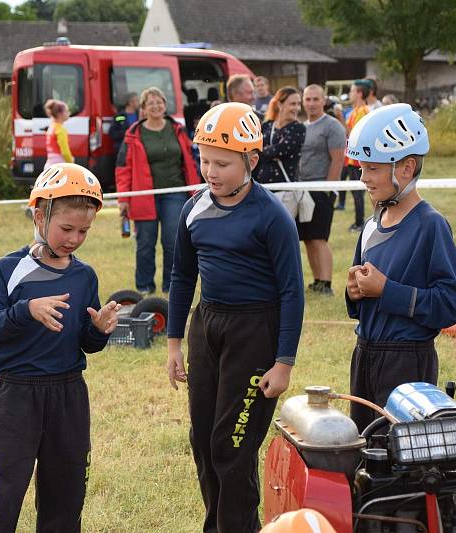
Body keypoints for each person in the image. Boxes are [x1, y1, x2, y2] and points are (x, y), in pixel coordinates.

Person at [166, 102, 304, 532]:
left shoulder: (272, 217)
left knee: (233, 445)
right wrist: (174, 343)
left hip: (254, 332)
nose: (211, 171)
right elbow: (182, 275)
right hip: (207, 326)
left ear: (251, 161)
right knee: (204, 442)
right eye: (205, 160)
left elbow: (292, 292)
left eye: (223, 163)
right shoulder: (194, 209)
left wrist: (283, 363)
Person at [0, 162, 121, 533]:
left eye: (83, 231)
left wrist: (98, 330)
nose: (74, 238)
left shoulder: (84, 275)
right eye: (66, 228)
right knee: (1, 494)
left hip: (69, 394)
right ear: (39, 215)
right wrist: (26, 310)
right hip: (16, 396)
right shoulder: (9, 269)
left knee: (66, 493)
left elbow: (84, 341)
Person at [344, 104, 456, 431]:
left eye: (371, 168)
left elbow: (454, 303)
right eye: (361, 168)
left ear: (406, 167)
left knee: (400, 459)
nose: (363, 178)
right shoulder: (374, 221)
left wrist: (388, 291)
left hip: (406, 360)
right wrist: (355, 291)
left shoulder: (431, 226)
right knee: (365, 448)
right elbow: (366, 297)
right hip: (365, 354)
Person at [115, 87, 201, 294]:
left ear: (165, 104)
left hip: (176, 193)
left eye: (159, 101)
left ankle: (171, 287)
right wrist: (123, 198)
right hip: (144, 195)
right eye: (150, 103)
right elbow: (123, 168)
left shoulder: (177, 129)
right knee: (145, 244)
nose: (156, 106)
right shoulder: (133, 133)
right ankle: (145, 287)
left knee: (173, 242)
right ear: (143, 108)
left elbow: (191, 159)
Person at [298, 84, 346, 295]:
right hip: (303, 189)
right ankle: (317, 280)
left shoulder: (332, 126)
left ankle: (326, 283)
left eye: (316, 99)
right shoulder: (302, 126)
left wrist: (329, 188)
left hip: (322, 189)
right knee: (308, 237)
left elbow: (338, 159)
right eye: (308, 99)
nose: (311, 103)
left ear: (324, 100)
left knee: (319, 238)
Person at [252, 87, 305, 186]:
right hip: (262, 187)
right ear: (280, 104)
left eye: (299, 104)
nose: (297, 108)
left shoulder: (298, 128)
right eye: (293, 104)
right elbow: (255, 151)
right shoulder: (267, 125)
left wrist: (260, 151)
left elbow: (280, 150)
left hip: (286, 188)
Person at [337, 80, 371, 229]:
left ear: (359, 93)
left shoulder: (362, 111)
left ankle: (359, 222)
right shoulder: (355, 110)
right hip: (350, 157)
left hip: (357, 158)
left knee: (358, 192)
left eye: (352, 91)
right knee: (354, 190)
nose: (349, 94)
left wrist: (339, 118)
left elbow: (353, 135)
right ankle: (358, 221)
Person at [43, 99, 73, 168]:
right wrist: (71, 163)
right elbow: (65, 152)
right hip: (59, 166)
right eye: (66, 111)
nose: (69, 113)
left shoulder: (51, 127)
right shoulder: (61, 130)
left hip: (49, 165)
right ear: (60, 114)